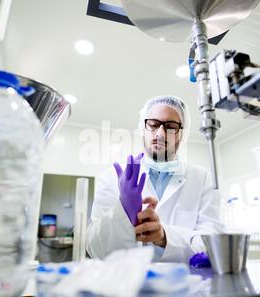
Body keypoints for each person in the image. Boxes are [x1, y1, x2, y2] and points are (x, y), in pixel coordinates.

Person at [87, 95, 224, 263]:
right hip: (126, 284)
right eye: (153, 124)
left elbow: (215, 243)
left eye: (171, 126)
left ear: (181, 134)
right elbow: (94, 249)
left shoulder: (202, 179)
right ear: (143, 129)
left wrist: (165, 236)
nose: (160, 133)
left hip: (184, 284)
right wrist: (122, 212)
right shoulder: (112, 177)